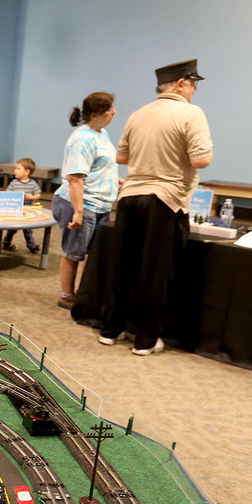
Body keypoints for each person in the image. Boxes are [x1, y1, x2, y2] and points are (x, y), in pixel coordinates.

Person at [102, 59, 213, 355]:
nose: (194, 91)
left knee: (123, 266)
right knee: (156, 271)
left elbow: (121, 158)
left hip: (130, 196)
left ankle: (111, 329)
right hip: (165, 198)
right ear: (180, 84)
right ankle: (146, 340)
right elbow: (201, 159)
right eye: (193, 84)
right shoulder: (191, 113)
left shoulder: (138, 114)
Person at [52, 93, 120, 309]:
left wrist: (116, 180)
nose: (114, 112)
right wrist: (78, 212)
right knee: (74, 252)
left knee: (93, 252)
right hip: (80, 203)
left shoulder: (101, 133)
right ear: (96, 114)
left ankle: (85, 292)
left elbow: (98, 166)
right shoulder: (83, 138)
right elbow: (75, 178)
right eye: (111, 109)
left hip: (100, 203)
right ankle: (67, 296)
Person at [1, 157, 42, 253]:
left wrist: (31, 197)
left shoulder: (33, 184)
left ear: (27, 172)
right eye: (15, 168)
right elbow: (7, 193)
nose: (15, 170)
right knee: (12, 229)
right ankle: (6, 243)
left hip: (28, 212)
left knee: (28, 230)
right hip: (15, 210)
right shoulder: (14, 183)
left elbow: (38, 195)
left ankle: (31, 246)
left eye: (18, 169)